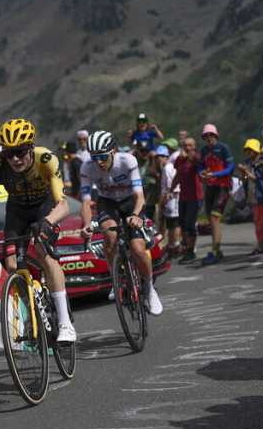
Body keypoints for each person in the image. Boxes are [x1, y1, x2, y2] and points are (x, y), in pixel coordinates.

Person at [0, 118, 76, 342]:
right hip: (17, 211)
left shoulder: (45, 158)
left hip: (44, 209)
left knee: (44, 254)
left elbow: (63, 205)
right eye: (9, 153)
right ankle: (30, 317)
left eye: (19, 152)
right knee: (12, 265)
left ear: (30, 148)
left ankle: (65, 323)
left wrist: (47, 222)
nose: (14, 159)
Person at [79, 132, 163, 315]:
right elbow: (85, 202)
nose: (99, 162)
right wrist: (86, 225)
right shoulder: (87, 167)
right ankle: (115, 279)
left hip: (130, 202)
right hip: (107, 202)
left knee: (138, 248)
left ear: (113, 151)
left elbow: (139, 196)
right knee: (109, 238)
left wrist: (136, 215)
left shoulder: (127, 161)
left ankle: (149, 288)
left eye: (102, 157)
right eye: (94, 158)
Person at [197, 124, 235, 266]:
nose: (208, 138)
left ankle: (215, 250)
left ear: (215, 136)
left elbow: (231, 167)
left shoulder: (223, 148)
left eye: (210, 135)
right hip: (211, 186)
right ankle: (217, 250)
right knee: (211, 219)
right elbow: (200, 166)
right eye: (205, 136)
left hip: (223, 186)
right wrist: (201, 173)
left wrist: (215, 174)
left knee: (214, 218)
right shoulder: (204, 150)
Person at [236, 138, 263, 255]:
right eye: (247, 150)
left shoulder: (261, 163)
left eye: (251, 149)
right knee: (258, 221)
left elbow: (259, 179)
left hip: (262, 195)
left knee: (260, 222)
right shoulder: (248, 162)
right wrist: (243, 173)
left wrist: (246, 172)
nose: (248, 152)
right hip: (253, 195)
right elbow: (246, 179)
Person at [173, 138, 203, 262]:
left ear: (194, 146)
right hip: (183, 196)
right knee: (182, 223)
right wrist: (171, 188)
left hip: (195, 197)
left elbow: (200, 164)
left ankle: (191, 251)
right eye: (185, 145)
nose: (187, 147)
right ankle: (186, 249)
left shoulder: (196, 157)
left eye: (190, 145)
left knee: (190, 224)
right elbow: (178, 174)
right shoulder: (180, 159)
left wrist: (191, 157)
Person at [159, 146, 181, 256]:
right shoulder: (168, 167)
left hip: (172, 198)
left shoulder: (167, 167)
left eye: (162, 156)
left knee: (173, 222)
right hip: (172, 197)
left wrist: (163, 200)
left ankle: (174, 245)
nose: (160, 158)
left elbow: (168, 186)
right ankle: (173, 244)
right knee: (171, 223)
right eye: (159, 156)